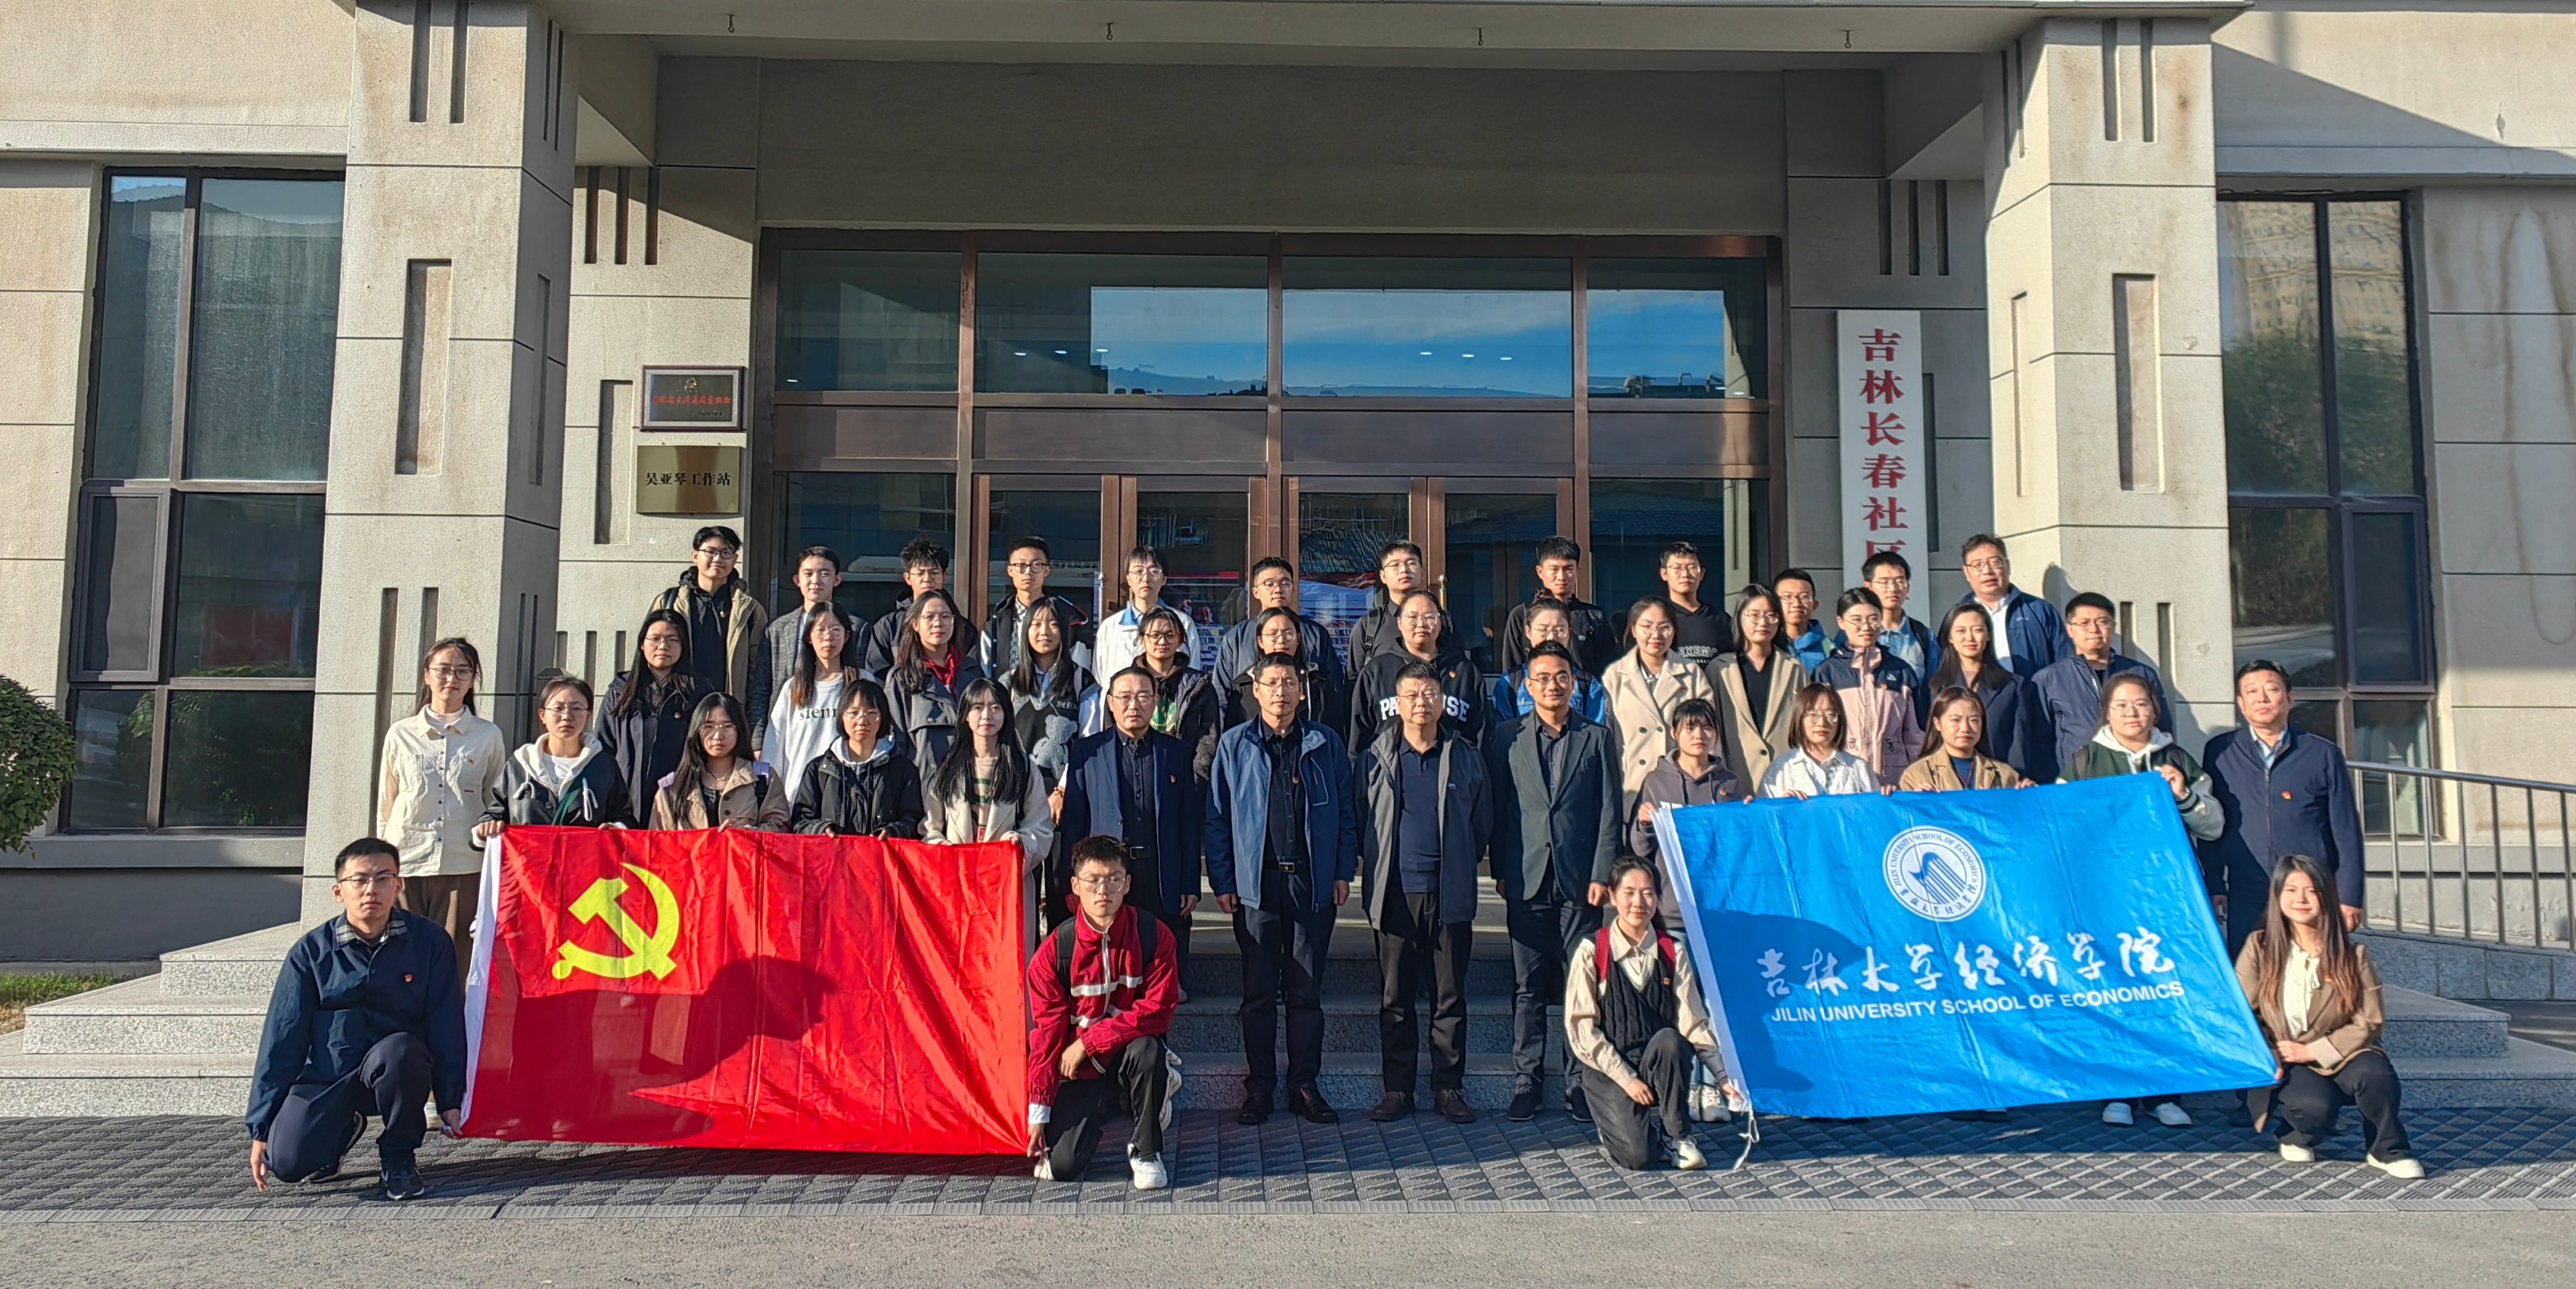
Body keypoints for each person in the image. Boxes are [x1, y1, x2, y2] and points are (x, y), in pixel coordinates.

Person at [246, 837, 465, 1202]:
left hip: (396, 1072)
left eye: (383, 878)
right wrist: (261, 1125)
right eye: (359, 880)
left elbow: (446, 1023)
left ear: (399, 885)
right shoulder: (310, 953)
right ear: (338, 891)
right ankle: (340, 1131)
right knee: (286, 1163)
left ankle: (398, 1156)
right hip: (329, 1075)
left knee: (403, 1050)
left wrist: (450, 1099)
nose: (371, 890)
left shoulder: (429, 942)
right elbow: (282, 1039)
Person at [2061, 671, 2223, 1129]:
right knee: (2112, 988)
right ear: (2106, 713)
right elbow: (2063, 825)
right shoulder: (2085, 760)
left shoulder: (2177, 758)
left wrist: (2183, 794)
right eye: (2122, 706)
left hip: (2165, 897)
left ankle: (2164, 1092)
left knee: (2164, 989)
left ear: (2155, 710)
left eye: (2141, 704)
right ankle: (2117, 1091)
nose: (2132, 713)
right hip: (2107, 896)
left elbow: (2214, 826)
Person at [1205, 652, 1358, 1126]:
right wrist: (1223, 880)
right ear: (1256, 690)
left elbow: (1346, 812)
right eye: (1271, 683)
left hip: (1310, 884)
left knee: (1305, 991)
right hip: (1256, 886)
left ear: (1301, 689)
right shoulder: (1235, 744)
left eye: (1289, 682)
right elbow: (1217, 817)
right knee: (1257, 993)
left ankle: (1304, 1085)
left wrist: (1342, 871)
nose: (1281, 692)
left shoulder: (1325, 742)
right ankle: (1259, 1088)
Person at [1486, 641, 1622, 1124]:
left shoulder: (1597, 737)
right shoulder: (1506, 737)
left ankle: (1578, 1081)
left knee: (1579, 985)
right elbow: (1499, 808)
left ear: (1575, 683)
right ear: (1527, 685)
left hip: (1580, 881)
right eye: (1542, 677)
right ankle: (1526, 1081)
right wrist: (1501, 871)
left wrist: (1603, 873)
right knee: (1527, 986)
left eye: (1561, 676)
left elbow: (1609, 810)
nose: (1552, 685)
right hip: (1525, 879)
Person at [1355, 663, 1493, 1124]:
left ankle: (1448, 1087)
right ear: (1397, 702)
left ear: (1441, 700)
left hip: (1449, 893)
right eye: (1412, 695)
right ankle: (1398, 1089)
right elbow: (1362, 818)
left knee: (1449, 997)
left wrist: (1460, 862)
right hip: (1395, 893)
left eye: (1430, 693)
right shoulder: (1376, 756)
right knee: (1395, 998)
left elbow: (1481, 822)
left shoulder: (1464, 755)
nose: (1421, 703)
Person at [2236, 854, 2420, 1179]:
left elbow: (2370, 1019)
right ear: (2277, 896)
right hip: (2289, 1056)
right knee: (2312, 1107)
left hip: (2347, 1051)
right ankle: (2295, 1133)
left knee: (2376, 1075)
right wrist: (2269, 1050)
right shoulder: (2259, 946)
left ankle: (2388, 1150)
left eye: (2311, 891)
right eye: (2291, 890)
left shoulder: (2353, 954)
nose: (2301, 899)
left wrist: (2315, 1051)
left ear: (2327, 897)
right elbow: (2243, 1011)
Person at [1025, 836, 1180, 1190]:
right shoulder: (1054, 952)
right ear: (1075, 886)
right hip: (1080, 1069)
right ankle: (1101, 1110)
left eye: (1113, 879)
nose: (1103, 891)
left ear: (1127, 884)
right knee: (1062, 1167)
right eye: (1092, 881)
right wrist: (1039, 1110)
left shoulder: (1154, 936)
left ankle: (1146, 1150)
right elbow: (1045, 1037)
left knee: (1148, 1050)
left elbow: (1157, 1011)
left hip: (1124, 1053)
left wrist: (1089, 1042)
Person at [1563, 857, 1730, 1171]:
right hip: (1610, 1068)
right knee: (1637, 1157)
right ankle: (1618, 1127)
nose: (1638, 902)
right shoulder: (1593, 950)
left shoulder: (1672, 951)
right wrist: (1627, 1080)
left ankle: (1676, 1135)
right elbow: (1582, 1030)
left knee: (1671, 1040)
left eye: (1648, 893)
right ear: (1613, 896)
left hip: (1657, 1060)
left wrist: (1721, 1074)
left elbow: (1693, 1022)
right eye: (1629, 893)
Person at [2204, 660, 2367, 952]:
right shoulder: (2220, 752)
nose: (2262, 698)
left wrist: (2350, 896)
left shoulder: (2323, 754)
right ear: (2241, 703)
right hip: (2246, 891)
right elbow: (2211, 824)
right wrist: (2215, 883)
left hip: (2309, 894)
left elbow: (2346, 830)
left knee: (2312, 974)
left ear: (2290, 698)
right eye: (2251, 692)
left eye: (2272, 689)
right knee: (2248, 974)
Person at [1058, 667, 1205, 984]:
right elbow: (1075, 823)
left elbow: (1188, 824)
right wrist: (1071, 879)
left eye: (1142, 696)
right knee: (1113, 954)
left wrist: (1190, 882)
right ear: (1111, 703)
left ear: (1155, 702)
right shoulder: (1087, 752)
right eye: (1125, 697)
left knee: (1164, 955)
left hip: (1161, 869)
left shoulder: (1177, 752)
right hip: (1109, 873)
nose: (1133, 705)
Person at [374, 637, 506, 988]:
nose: (452, 679)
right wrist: (383, 862)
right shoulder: (400, 734)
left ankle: (450, 1023)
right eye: (444, 670)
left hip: (463, 862)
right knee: (403, 957)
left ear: (473, 680)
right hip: (408, 861)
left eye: (463, 671)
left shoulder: (487, 735)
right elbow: (387, 802)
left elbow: (496, 801)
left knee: (455, 960)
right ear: (427, 676)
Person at [924, 678, 1058, 950]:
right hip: (959, 885)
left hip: (1006, 887)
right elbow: (929, 828)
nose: (987, 715)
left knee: (1005, 958)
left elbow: (1041, 828)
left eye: (996, 708)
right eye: (978, 707)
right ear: (965, 715)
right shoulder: (947, 768)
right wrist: (943, 851)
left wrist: (1021, 843)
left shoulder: (1023, 768)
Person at [1626, 697, 1743, 925]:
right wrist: (1645, 825)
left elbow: (1741, 847)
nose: (1699, 735)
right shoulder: (1656, 782)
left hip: (1721, 908)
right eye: (1690, 728)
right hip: (1672, 909)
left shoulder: (1730, 783)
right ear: (1674, 733)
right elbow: (1640, 850)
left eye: (1707, 727)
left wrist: (1747, 817)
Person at [2034, 591, 2174, 776]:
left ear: (2113, 626)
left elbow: (2162, 727)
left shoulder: (2141, 673)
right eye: (2084, 623)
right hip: (2078, 779)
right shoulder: (2049, 679)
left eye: (2102, 622)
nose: (2094, 629)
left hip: (2135, 777)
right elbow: (2039, 740)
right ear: (2070, 630)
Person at [475, 676, 633, 839]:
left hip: (584, 855)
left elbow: (623, 817)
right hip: (528, 855)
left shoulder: (604, 767)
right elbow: (495, 813)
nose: (567, 716)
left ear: (588, 715)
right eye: (558, 708)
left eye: (576, 708)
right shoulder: (519, 766)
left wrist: (617, 828)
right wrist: (486, 828)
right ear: (542, 715)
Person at [1601, 596, 1716, 816]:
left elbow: (1709, 734)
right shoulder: (1614, 676)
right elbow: (1607, 738)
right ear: (1633, 630)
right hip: (1631, 787)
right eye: (1647, 626)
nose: (1656, 635)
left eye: (1665, 627)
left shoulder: (1691, 673)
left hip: (1682, 788)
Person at [1925, 601, 2054, 784]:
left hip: (2000, 783)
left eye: (1977, 630)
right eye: (1961, 631)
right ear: (1950, 638)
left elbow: (2021, 742)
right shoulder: (1935, 686)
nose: (1970, 638)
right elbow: (1930, 740)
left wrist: (2016, 780)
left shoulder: (2013, 686)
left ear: (1988, 635)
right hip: (1948, 784)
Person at [596, 610, 705, 824]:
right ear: (642, 644)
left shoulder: (699, 691)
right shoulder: (620, 691)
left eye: (672, 639)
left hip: (679, 801)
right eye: (655, 639)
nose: (663, 646)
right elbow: (603, 746)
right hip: (625, 801)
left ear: (683, 646)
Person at [1350, 588, 1486, 752]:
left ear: (1440, 623)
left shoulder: (1466, 672)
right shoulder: (1376, 671)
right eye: (1412, 617)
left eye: (1429, 617)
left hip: (1452, 765)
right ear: (1399, 622)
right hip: (1389, 765)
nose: (1421, 624)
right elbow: (1359, 738)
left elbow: (1481, 735)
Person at [788, 677, 925, 838]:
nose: (862, 721)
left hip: (882, 854)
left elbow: (913, 820)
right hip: (832, 854)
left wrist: (894, 831)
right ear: (842, 716)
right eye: (854, 713)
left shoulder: (903, 770)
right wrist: (820, 829)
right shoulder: (819, 769)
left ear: (883, 717)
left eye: (872, 713)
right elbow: (802, 819)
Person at [1816, 587, 1926, 784]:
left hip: (1893, 781)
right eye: (1857, 620)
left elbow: (1915, 734)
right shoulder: (1827, 673)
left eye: (1873, 619)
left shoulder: (1902, 672)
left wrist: (1918, 778)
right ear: (1841, 622)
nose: (1866, 627)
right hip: (1844, 780)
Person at [647, 525, 769, 699]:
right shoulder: (669, 603)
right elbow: (649, 655)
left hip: (726, 705)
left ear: (735, 559)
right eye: (710, 552)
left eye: (726, 553)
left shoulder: (750, 610)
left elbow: (757, 668)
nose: (718, 558)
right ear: (695, 556)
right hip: (676, 702)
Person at [1712, 585, 1810, 789]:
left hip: (1786, 782)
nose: (1763, 623)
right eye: (1754, 615)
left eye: (1771, 616)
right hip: (1734, 780)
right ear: (1739, 617)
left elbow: (1804, 728)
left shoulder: (1794, 669)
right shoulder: (1720, 670)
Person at [764, 605, 864, 803]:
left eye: (835, 629)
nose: (828, 637)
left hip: (850, 798)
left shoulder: (863, 683)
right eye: (820, 629)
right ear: (809, 637)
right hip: (798, 797)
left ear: (846, 636)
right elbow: (774, 746)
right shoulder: (793, 687)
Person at [648, 693, 788, 831]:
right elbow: (657, 840)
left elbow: (782, 827)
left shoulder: (763, 779)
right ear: (696, 730)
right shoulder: (672, 787)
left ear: (739, 729)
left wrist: (749, 833)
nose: (718, 736)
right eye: (708, 727)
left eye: (727, 726)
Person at [749, 544, 842, 751]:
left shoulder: (854, 628)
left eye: (824, 574)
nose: (816, 580)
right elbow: (762, 689)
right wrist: (757, 743)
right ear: (797, 580)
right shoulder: (777, 630)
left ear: (837, 580)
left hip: (836, 729)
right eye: (808, 574)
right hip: (786, 731)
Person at [1214, 557, 1346, 703]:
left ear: (1293, 589)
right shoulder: (1236, 638)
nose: (1278, 590)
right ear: (1255, 592)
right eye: (1269, 584)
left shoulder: (1315, 634)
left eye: (1285, 584)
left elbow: (1335, 688)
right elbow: (1220, 693)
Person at [883, 588, 987, 773]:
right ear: (916, 624)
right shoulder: (901, 678)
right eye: (929, 617)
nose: (938, 623)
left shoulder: (972, 671)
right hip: (922, 781)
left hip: (970, 777)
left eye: (946, 617)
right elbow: (895, 742)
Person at [1006, 599, 1093, 797]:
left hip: (1065, 796)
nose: (1044, 632)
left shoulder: (1083, 682)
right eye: (1036, 624)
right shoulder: (1009, 682)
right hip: (1015, 792)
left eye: (1053, 624)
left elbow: (1089, 743)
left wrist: (1062, 790)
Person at [1128, 606, 1222, 786]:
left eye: (1170, 635)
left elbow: (1208, 740)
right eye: (1155, 635)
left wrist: (1194, 782)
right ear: (1142, 640)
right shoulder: (1125, 683)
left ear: (1179, 640)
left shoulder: (1199, 685)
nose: (1162, 641)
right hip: (1135, 780)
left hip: (1184, 781)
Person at [1957, 533, 2067, 680]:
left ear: (2007, 566)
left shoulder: (2040, 610)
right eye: (1977, 565)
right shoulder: (1958, 618)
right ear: (1967, 573)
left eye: (1995, 562)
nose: (1987, 571)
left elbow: (2064, 662)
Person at [1499, 536, 1613, 675]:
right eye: (1554, 569)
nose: (1562, 577)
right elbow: (1512, 672)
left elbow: (1608, 672)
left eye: (1569, 569)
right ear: (1540, 572)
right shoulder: (1521, 615)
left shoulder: (1594, 617)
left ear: (1577, 571)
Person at [1487, 596, 1609, 725]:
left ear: (1569, 632)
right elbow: (1504, 734)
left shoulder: (1588, 684)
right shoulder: (1509, 683)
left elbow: (1595, 733)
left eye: (1560, 630)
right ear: (1528, 632)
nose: (1552, 637)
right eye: (1543, 630)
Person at [1226, 606, 1346, 735]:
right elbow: (1234, 737)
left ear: (1298, 639)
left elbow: (1334, 734)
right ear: (1260, 641)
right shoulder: (1243, 686)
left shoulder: (1319, 685)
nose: (1281, 641)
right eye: (1272, 634)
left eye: (1288, 634)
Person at [985, 534, 1092, 676]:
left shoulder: (1066, 617)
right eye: (1021, 565)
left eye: (1036, 565)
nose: (1028, 572)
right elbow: (985, 670)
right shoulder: (997, 619)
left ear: (1046, 570)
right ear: (1010, 571)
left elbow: (1079, 673)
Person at [1093, 546, 1205, 681]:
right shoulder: (1110, 627)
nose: (1146, 579)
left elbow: (1192, 677)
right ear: (1129, 579)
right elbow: (1099, 677)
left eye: (1154, 572)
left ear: (1164, 579)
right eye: (1138, 572)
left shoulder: (1182, 623)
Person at [1757, 684, 1882, 798]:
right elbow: (1763, 813)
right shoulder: (1780, 769)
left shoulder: (1859, 768)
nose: (1822, 723)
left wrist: (1889, 796)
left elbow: (1876, 811)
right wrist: (1784, 807)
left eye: (1830, 715)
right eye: (1813, 715)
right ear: (1799, 718)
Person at [1348, 539, 1459, 666]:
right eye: (1395, 565)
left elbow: (1459, 669)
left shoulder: (1444, 621)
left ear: (1422, 572)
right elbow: (1355, 675)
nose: (1404, 570)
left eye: (1411, 563)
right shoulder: (1369, 626)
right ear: (1383, 576)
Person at [1897, 687, 2027, 792]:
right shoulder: (1916, 775)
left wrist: (2028, 795)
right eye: (1955, 720)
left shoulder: (2004, 774)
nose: (1965, 728)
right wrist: (1920, 802)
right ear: (1938, 723)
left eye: (1974, 720)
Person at [860, 537, 954, 676]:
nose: (927, 579)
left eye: (934, 573)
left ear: (945, 576)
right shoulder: (888, 626)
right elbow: (876, 675)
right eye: (920, 573)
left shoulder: (960, 625)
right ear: (908, 578)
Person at [1650, 541, 1737, 670]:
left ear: (1702, 574)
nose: (1685, 574)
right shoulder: (1656, 618)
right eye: (1677, 568)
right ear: (1664, 574)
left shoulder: (1721, 621)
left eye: (1692, 567)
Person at [1854, 551, 1939, 680]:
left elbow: (1935, 684)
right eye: (1884, 582)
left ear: (1907, 588)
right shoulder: (1854, 634)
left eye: (1899, 582)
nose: (1893, 589)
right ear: (1868, 587)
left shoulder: (1923, 636)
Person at [1774, 568, 1831, 671]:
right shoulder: (1768, 645)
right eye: (1788, 597)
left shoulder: (1829, 648)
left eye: (1804, 597)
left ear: (1815, 605)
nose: (1797, 604)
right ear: (1774, 604)